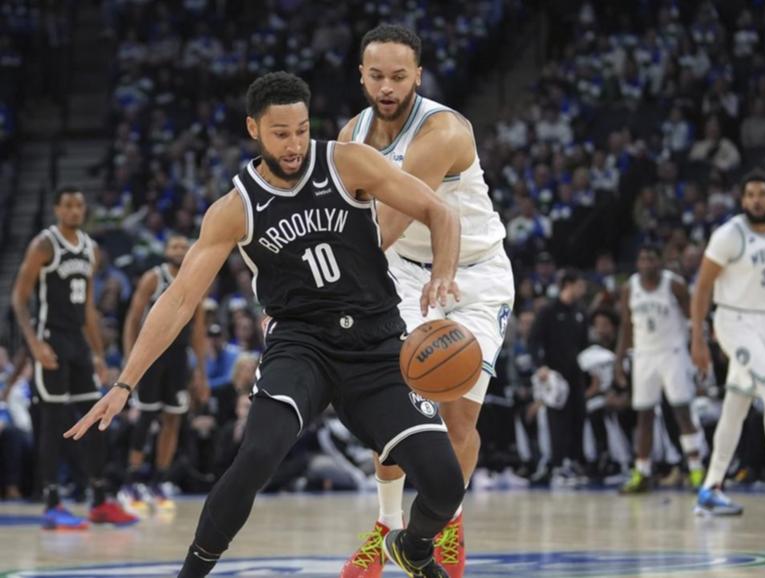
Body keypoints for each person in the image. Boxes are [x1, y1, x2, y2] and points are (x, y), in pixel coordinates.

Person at [65, 72, 464, 578]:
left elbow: (438, 211)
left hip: (376, 340)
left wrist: (444, 274)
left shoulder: (348, 163)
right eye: (281, 133)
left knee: (446, 483)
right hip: (302, 345)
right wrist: (125, 382)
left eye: (301, 129)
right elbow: (181, 297)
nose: (294, 143)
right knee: (256, 455)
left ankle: (413, 547)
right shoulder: (236, 208)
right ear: (254, 128)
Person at [338, 24, 514, 578]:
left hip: (474, 274)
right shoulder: (353, 135)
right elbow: (346, 222)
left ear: (418, 75)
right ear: (361, 76)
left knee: (458, 415)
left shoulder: (441, 131)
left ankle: (445, 523)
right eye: (376, 75)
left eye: (398, 76)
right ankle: (389, 525)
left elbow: (389, 221)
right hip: (400, 272)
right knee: (394, 405)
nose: (387, 87)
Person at [11, 187, 138, 529]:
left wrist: (98, 354)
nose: (74, 210)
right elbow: (19, 299)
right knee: (52, 422)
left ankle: (99, 500)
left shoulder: (91, 249)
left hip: (78, 344)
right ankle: (51, 502)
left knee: (96, 418)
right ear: (56, 209)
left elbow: (88, 310)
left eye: (79, 205)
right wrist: (34, 343)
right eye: (67, 205)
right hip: (50, 340)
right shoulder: (44, 244)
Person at [691, 170, 765, 515]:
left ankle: (710, 489)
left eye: (762, 193)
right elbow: (702, 288)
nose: (756, 199)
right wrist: (698, 339)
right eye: (750, 194)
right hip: (734, 320)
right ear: (742, 200)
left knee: (736, 405)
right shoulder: (729, 235)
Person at [121, 235, 209, 511]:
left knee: (173, 418)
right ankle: (132, 481)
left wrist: (200, 371)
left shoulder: (197, 279)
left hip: (178, 358)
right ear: (165, 251)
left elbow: (198, 330)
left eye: (184, 247)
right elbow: (133, 319)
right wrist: (130, 360)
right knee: (146, 417)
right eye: (174, 246)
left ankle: (159, 480)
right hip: (152, 355)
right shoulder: (152, 278)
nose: (179, 251)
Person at [615, 245, 705, 494]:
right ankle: (642, 472)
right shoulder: (629, 288)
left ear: (660, 262)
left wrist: (699, 346)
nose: (646, 263)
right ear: (637, 263)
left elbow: (693, 318)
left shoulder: (673, 285)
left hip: (672, 353)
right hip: (644, 355)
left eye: (651, 259)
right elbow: (625, 326)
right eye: (642, 259)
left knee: (682, 412)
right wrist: (618, 361)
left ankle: (696, 469)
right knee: (644, 415)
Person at [527, 269, 588, 484]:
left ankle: (574, 462)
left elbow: (584, 344)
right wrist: (540, 365)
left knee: (578, 417)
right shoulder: (548, 311)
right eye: (580, 284)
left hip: (576, 375)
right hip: (554, 376)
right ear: (568, 284)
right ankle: (557, 465)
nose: (584, 289)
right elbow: (533, 341)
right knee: (557, 421)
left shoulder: (580, 312)